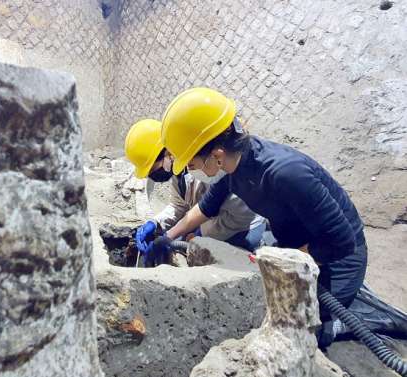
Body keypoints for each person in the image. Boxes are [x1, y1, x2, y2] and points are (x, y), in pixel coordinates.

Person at [150, 87, 368, 346]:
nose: (190, 169)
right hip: (295, 245)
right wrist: (166, 237)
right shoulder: (236, 167)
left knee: (297, 332)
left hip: (337, 259)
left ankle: (345, 325)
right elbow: (205, 208)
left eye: (192, 163)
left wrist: (281, 263)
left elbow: (342, 241)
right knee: (262, 306)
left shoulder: (286, 173)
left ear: (217, 155)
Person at [124, 119, 266, 266]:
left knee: (188, 248)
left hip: (242, 228)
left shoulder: (210, 167)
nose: (154, 175)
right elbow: (178, 206)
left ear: (167, 153)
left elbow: (240, 217)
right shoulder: (179, 172)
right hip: (208, 220)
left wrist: (200, 234)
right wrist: (155, 223)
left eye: (154, 169)